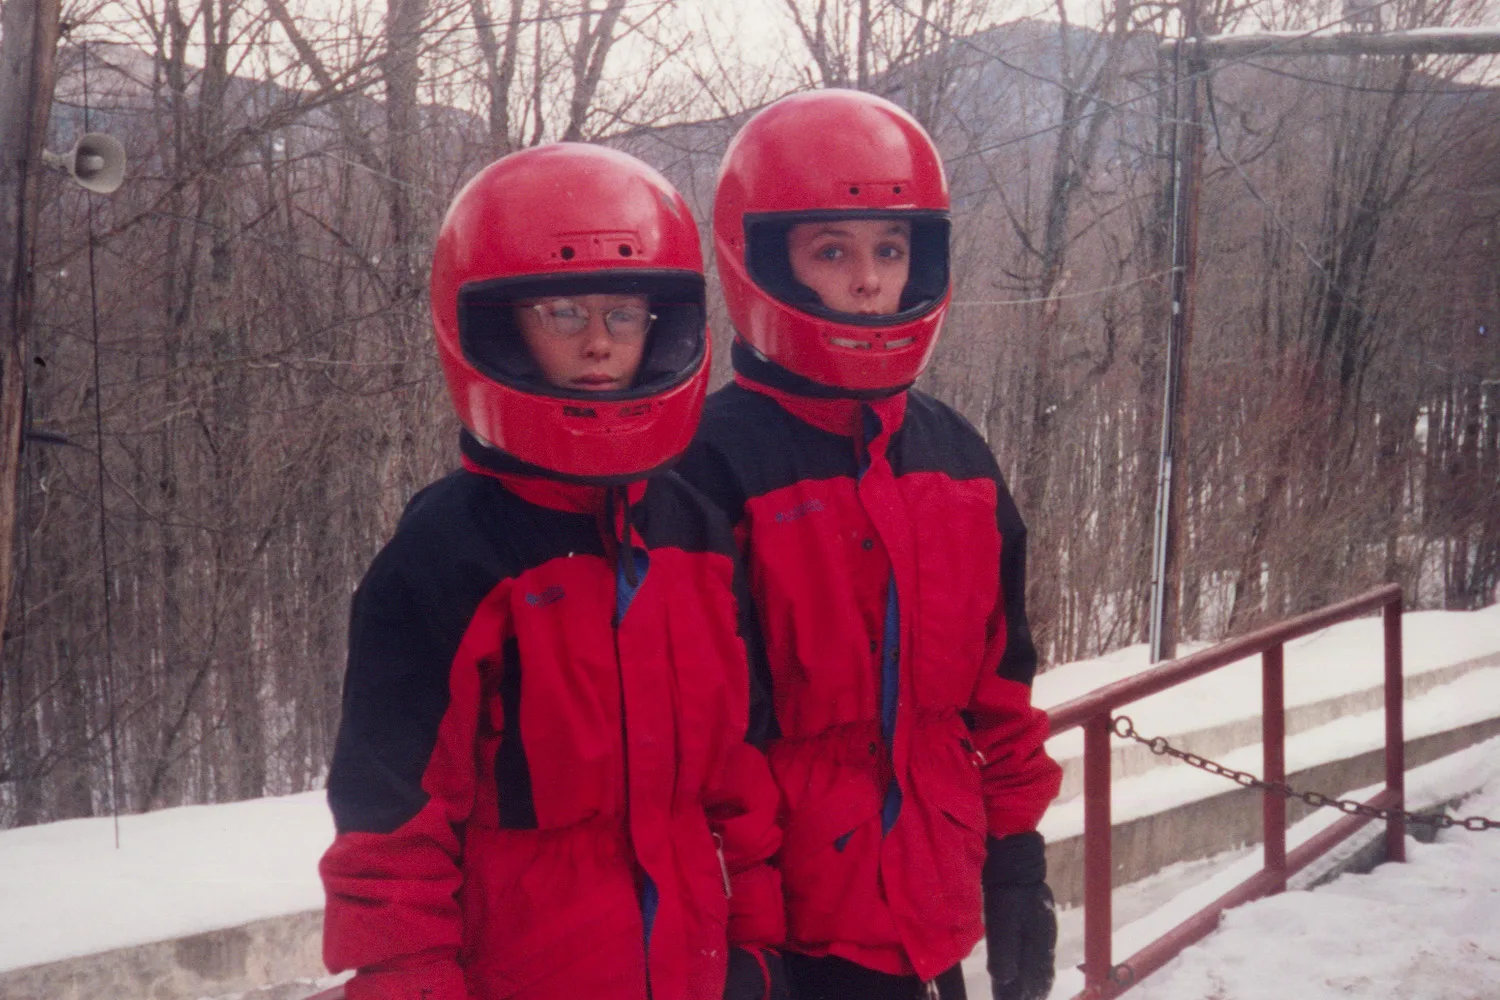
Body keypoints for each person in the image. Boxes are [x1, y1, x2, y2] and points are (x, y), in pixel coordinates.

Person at [319, 144, 787, 1000]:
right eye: (564, 312)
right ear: (502, 328)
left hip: (695, 969)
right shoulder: (448, 554)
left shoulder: (697, 534)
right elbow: (392, 831)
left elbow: (737, 780)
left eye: (627, 313)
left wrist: (757, 953)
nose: (602, 343)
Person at [677, 90, 1063, 1000]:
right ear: (764, 259)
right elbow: (694, 742)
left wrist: (1016, 858)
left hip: (926, 920)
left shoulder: (955, 456)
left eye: (889, 250)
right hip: (783, 937)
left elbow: (1000, 689)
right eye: (831, 251)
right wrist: (735, 935)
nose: (866, 281)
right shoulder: (705, 464)